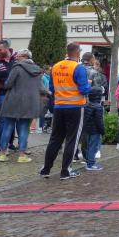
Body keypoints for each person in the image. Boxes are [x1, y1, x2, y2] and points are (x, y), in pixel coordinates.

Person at [40, 43, 90, 180]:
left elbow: (52, 88)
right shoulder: (78, 68)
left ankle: (46, 169)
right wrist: (89, 85)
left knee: (55, 139)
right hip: (75, 107)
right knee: (72, 139)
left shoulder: (56, 66)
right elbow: (83, 90)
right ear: (78, 53)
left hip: (59, 106)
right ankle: (65, 171)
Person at [0, 49, 44, 163]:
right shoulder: (37, 70)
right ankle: (22, 155)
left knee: (8, 127)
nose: (16, 57)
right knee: (24, 128)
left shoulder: (17, 68)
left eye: (18, 56)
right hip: (29, 103)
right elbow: (40, 88)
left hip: (13, 101)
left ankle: (2, 154)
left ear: (25, 57)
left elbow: (8, 84)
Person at [80, 53, 106, 171]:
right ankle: (90, 160)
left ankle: (81, 155)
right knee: (93, 134)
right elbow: (98, 89)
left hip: (76, 103)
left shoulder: (77, 69)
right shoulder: (93, 72)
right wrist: (102, 90)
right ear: (91, 60)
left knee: (81, 132)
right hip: (91, 104)